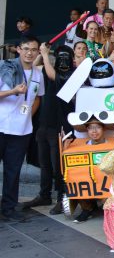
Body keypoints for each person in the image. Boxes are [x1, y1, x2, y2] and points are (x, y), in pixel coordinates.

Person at [21, 44, 75, 214]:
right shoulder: (45, 68)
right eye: (59, 55)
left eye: (66, 55)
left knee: (58, 165)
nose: (62, 58)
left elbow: (53, 76)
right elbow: (32, 67)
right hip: (43, 125)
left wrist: (44, 54)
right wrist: (39, 53)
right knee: (44, 163)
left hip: (60, 126)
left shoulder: (71, 73)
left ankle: (61, 197)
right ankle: (44, 194)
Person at [0, 36, 45, 221]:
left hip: (22, 131)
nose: (29, 53)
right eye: (26, 48)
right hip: (1, 127)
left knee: (13, 171)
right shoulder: (5, 67)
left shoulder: (38, 74)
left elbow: (38, 98)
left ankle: (9, 209)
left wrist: (27, 116)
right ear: (18, 49)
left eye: (33, 49)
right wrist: (13, 91)